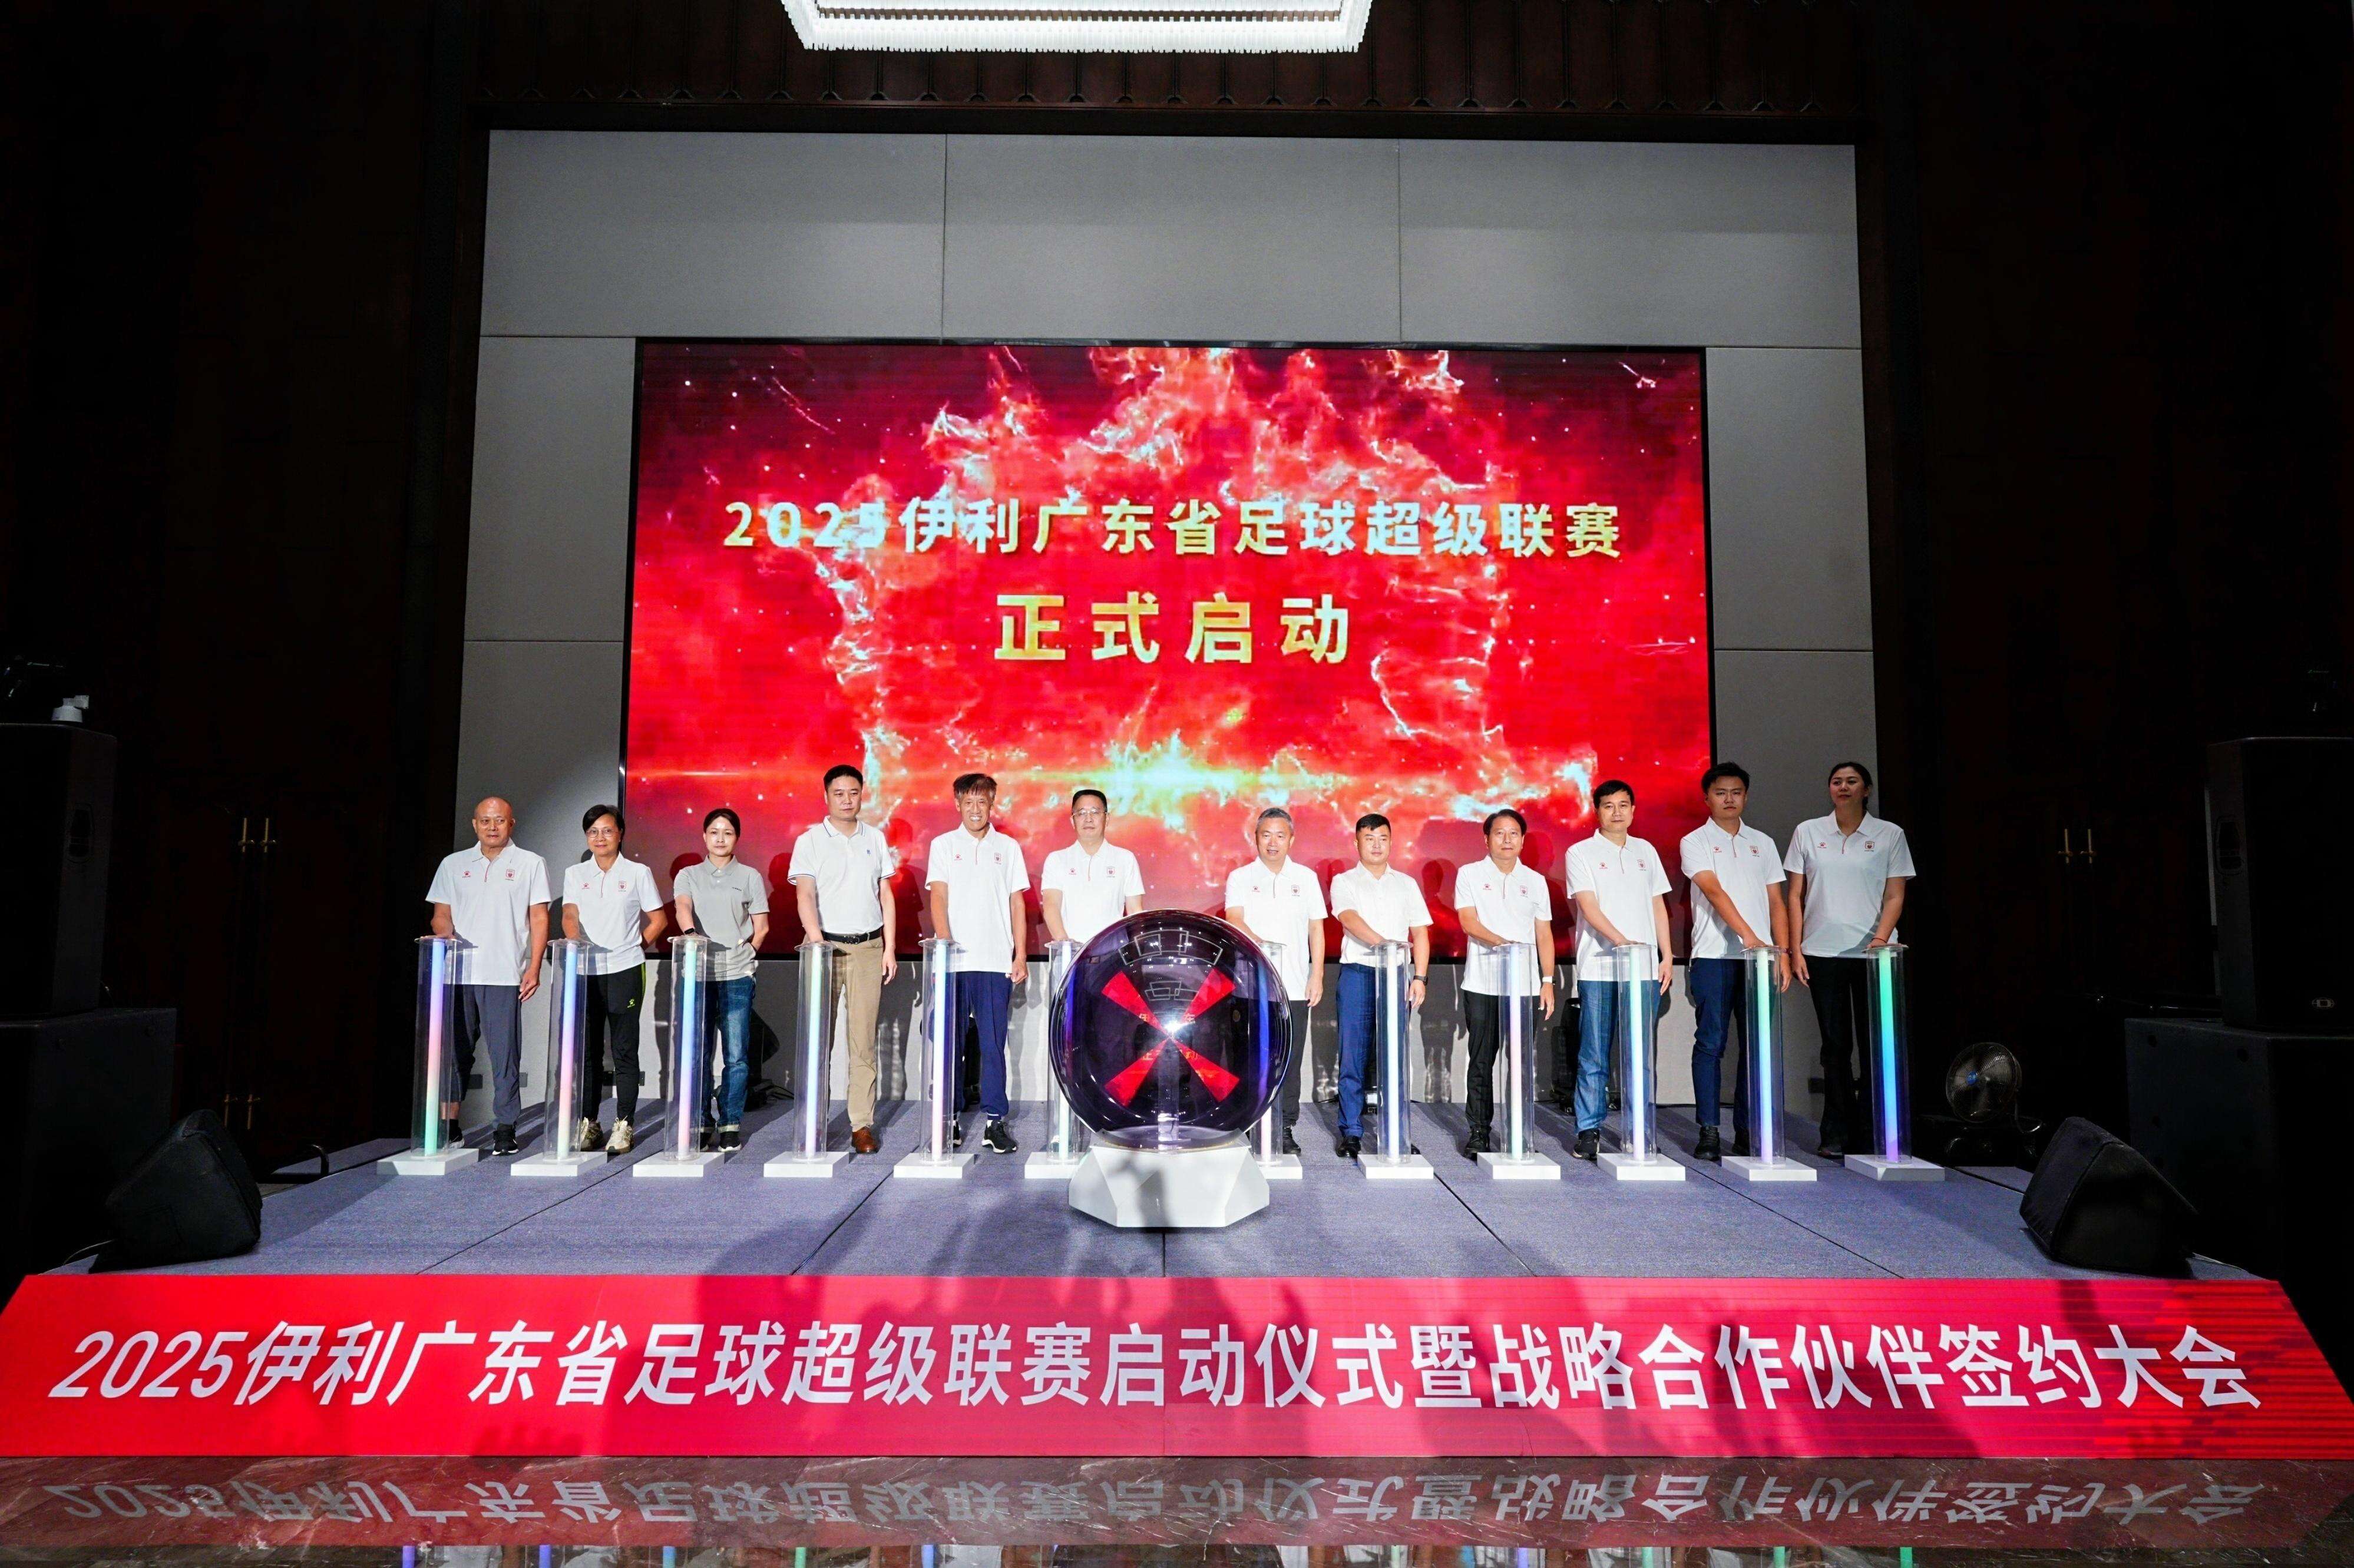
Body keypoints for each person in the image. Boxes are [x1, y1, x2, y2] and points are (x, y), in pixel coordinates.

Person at [1785, 760, 1917, 1157]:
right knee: (1835, 1047)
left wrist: (1880, 938)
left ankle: (1877, 1133)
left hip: (1874, 955)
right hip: (1822, 952)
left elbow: (1895, 894)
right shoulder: (1808, 832)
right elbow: (1795, 895)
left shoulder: (1890, 834)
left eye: (1852, 781)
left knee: (1876, 1044)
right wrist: (1796, 949)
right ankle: (1836, 1133)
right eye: (1836, 782)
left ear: (1867, 789)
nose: (1843, 788)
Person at [425, 796, 550, 1156]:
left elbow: (539, 918)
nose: (492, 827)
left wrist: (534, 966)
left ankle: (505, 1129)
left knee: (505, 1056)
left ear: (511, 824)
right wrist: (444, 932)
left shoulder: (530, 863)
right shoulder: (453, 864)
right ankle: (449, 1127)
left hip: (504, 973)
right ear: (474, 824)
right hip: (457, 973)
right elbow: (441, 913)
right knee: (454, 1054)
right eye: (485, 821)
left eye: (499, 820)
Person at [1678, 762, 1791, 1162]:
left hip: (1759, 960)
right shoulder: (1695, 841)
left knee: (1756, 1046)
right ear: (1707, 798)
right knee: (1711, 1043)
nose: (1729, 799)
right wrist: (1748, 935)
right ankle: (1709, 1130)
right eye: (1721, 793)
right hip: (1714, 956)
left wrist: (1782, 953)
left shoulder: (1762, 843)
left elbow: (1777, 902)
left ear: (1746, 796)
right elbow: (1713, 891)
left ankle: (1747, 1130)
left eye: (1736, 792)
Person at [786, 764, 900, 1157]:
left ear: (861, 794)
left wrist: (889, 947)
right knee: (819, 1039)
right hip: (825, 949)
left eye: (853, 792)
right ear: (826, 796)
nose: (847, 800)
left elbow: (886, 895)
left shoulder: (875, 838)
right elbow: (804, 895)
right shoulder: (810, 841)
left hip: (868, 948)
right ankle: (814, 1122)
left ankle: (861, 1124)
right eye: (839, 793)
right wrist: (818, 942)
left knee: (863, 1041)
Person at [1563, 780, 1675, 1162]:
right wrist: (1622, 942)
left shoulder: (1646, 851)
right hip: (1599, 966)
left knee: (1639, 1055)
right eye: (1608, 806)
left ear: (1633, 810)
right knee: (1594, 1055)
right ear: (1597, 811)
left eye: (1623, 805)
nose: (1617, 812)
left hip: (1641, 970)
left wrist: (1666, 955)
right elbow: (1588, 906)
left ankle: (1639, 1129)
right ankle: (1589, 1130)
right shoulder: (1581, 852)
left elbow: (1658, 905)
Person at [927, 772, 1029, 1155]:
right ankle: (950, 1119)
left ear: (992, 805)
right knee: (950, 1044)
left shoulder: (1008, 848)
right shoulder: (943, 845)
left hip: (994, 960)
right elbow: (939, 897)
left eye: (982, 802)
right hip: (954, 962)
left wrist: (1020, 954)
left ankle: (994, 1122)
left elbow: (1017, 903)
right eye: (968, 802)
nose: (975, 809)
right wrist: (944, 946)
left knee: (993, 1044)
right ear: (957, 804)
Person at [560, 804, 667, 1154]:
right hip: (587, 970)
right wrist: (575, 939)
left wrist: (635, 946)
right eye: (593, 832)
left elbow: (658, 919)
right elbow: (570, 913)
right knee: (589, 1052)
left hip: (625, 970)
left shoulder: (637, 872)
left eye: (607, 830)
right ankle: (589, 1123)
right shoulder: (576, 874)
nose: (600, 837)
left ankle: (624, 1125)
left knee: (623, 1049)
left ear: (620, 834)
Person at [1453, 809, 1558, 1158]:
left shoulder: (1535, 881)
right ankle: (1479, 1132)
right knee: (1482, 1061)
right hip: (1483, 984)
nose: (1507, 840)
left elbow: (1544, 933)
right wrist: (1505, 945)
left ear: (1523, 840)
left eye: (1514, 833)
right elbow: (1468, 922)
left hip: (1524, 986)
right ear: (1487, 839)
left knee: (1521, 1062)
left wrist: (1547, 980)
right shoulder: (1470, 874)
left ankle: (1518, 1132)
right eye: (1499, 833)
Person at [1328, 813, 1431, 1159]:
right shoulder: (1345, 881)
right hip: (1358, 973)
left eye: (1383, 839)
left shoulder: (1406, 884)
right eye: (1369, 838)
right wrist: (1384, 944)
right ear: (1357, 842)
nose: (1376, 845)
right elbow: (1349, 918)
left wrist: (1420, 976)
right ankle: (1351, 1131)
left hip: (1396, 976)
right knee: (1353, 1057)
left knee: (1395, 1058)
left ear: (1391, 842)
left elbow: (1420, 932)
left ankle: (1396, 1132)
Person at [1224, 806, 1327, 1153]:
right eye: (1266, 835)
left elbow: (1316, 928)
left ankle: (1284, 1126)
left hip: (1294, 986)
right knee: (1250, 1058)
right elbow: (1234, 918)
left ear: (1291, 840)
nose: (1273, 842)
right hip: (1251, 986)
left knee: (1290, 1061)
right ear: (1255, 839)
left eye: (1280, 836)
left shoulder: (1306, 878)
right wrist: (1264, 948)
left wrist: (1317, 974)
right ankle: (1250, 1122)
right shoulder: (1241, 877)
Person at [671, 808, 769, 1153]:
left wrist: (749, 952)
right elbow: (682, 906)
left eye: (727, 832)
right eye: (714, 832)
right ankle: (701, 1122)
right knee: (698, 1053)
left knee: (737, 1056)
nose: (720, 838)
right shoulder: (688, 874)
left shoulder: (750, 876)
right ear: (704, 836)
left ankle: (730, 1123)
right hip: (698, 974)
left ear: (736, 838)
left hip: (737, 975)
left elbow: (762, 926)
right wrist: (691, 934)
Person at [1040, 788, 1146, 948]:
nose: (1088, 819)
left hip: (1112, 954)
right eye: (1082, 813)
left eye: (1095, 812)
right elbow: (1051, 906)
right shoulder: (1057, 860)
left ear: (1107, 818)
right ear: (1073, 821)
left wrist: (1139, 950)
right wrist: (1065, 944)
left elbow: (1135, 911)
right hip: (1070, 953)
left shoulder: (1125, 859)